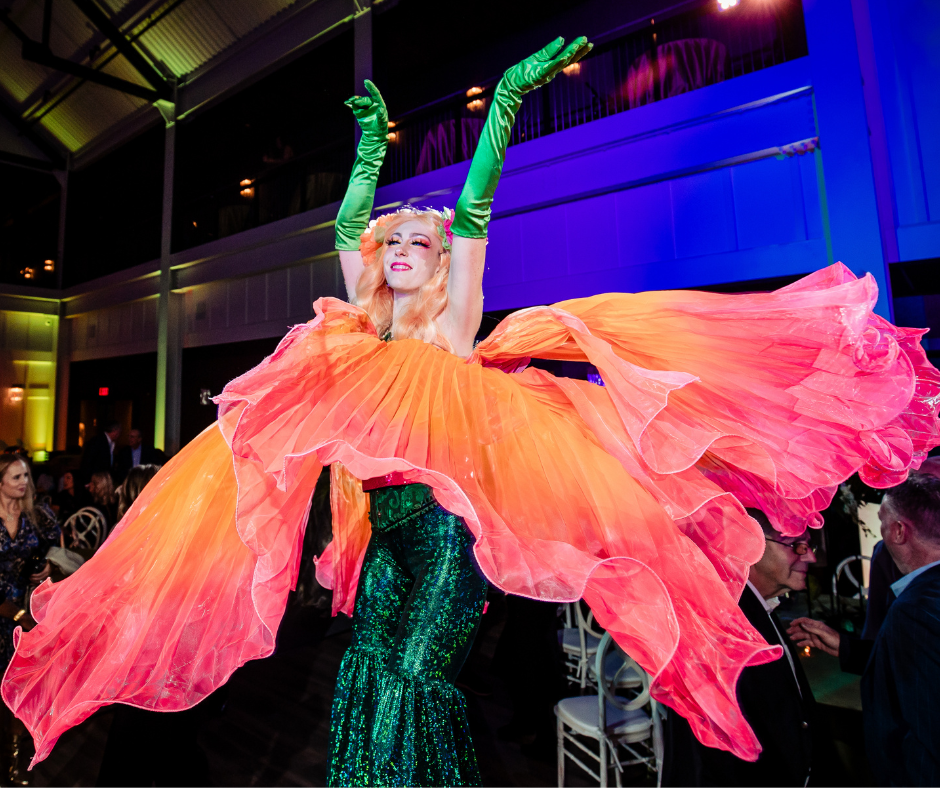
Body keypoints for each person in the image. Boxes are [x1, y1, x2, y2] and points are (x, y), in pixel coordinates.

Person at [3, 37, 940, 786]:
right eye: (393, 239)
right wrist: (367, 155)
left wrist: (503, 108)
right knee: (366, 672)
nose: (404, 245)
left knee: (415, 677)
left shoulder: (454, 329)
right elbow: (343, 232)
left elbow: (478, 203)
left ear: (442, 262)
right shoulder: (361, 337)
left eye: (421, 238)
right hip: (390, 545)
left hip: (448, 546)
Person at [791, 473, 940, 786]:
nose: (880, 532)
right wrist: (846, 648)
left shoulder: (915, 609)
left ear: (899, 531)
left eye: (883, 521)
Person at [662, 509, 823, 786]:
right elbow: (712, 752)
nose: (811, 557)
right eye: (798, 546)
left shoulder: (759, 608)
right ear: (753, 548)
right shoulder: (724, 625)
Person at [0, 455, 60, 784]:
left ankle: (14, 762)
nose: (23, 482)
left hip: (27, 610)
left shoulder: (36, 515)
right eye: (14, 477)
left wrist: (50, 565)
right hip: (3, 610)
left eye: (25, 475)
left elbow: (57, 544)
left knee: (21, 687)